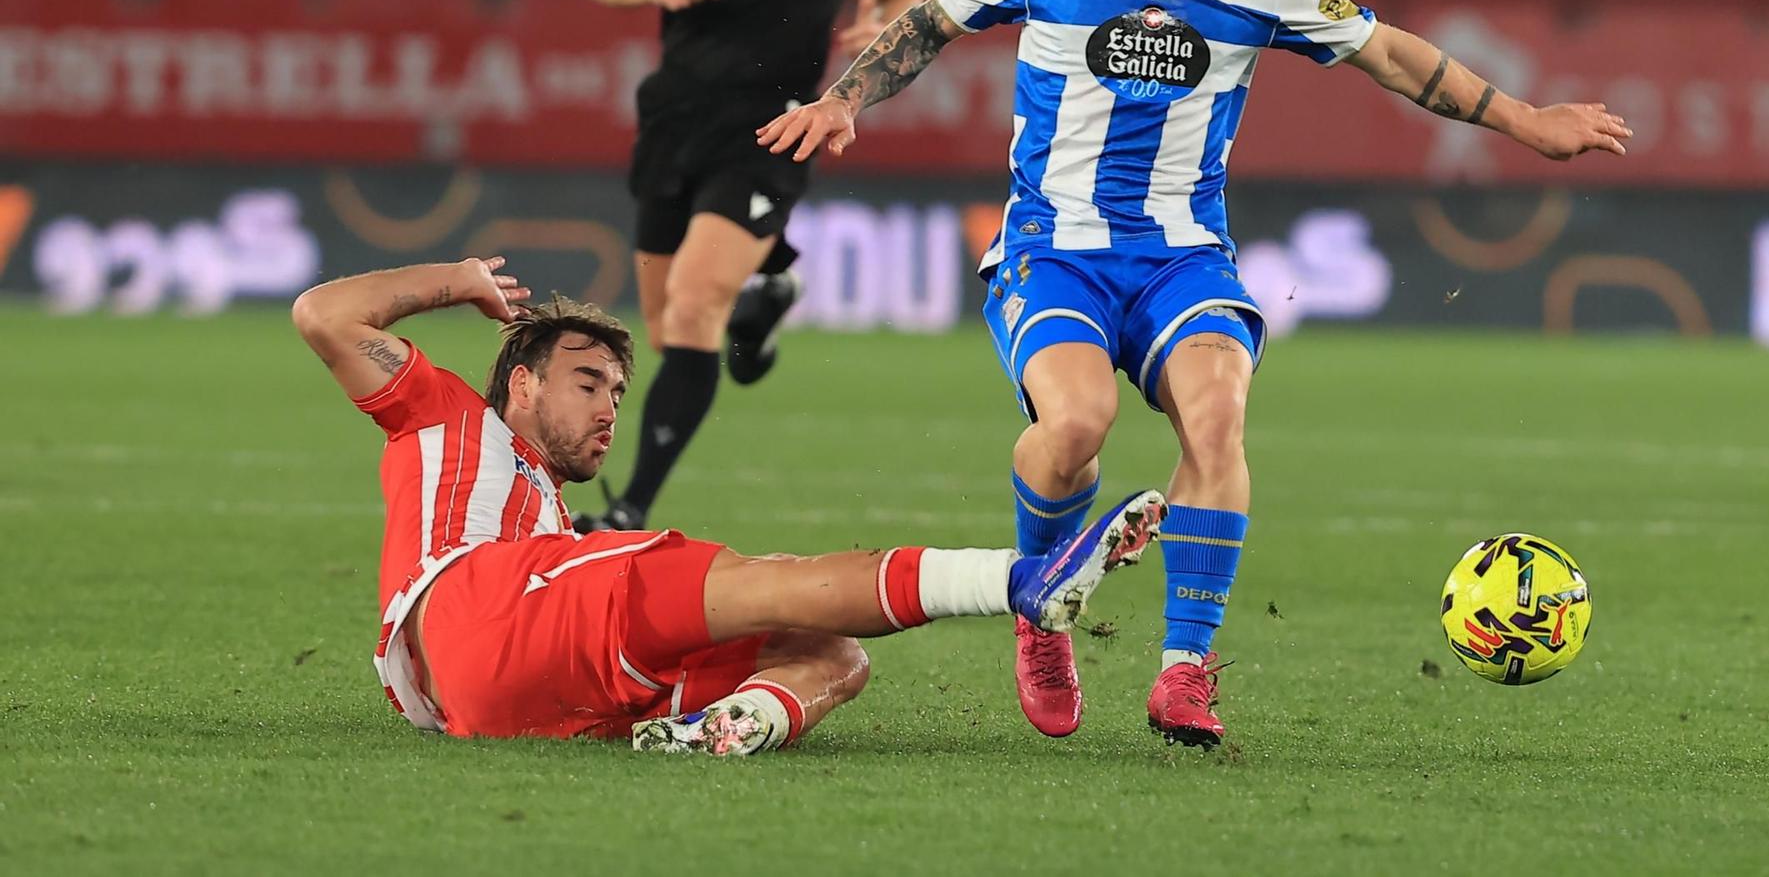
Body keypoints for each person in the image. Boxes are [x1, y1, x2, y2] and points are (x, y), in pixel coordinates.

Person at [759, 0, 1632, 747]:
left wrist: (1526, 121)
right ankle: (1039, 614)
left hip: (1183, 257)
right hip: (1055, 251)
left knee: (1216, 419)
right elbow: (925, 25)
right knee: (1075, 423)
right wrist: (842, 101)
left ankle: (1184, 671)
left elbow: (1388, 53)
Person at [291, 255, 1165, 754]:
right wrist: (459, 277)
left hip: (502, 706)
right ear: (520, 383)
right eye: (587, 381)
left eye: (619, 392)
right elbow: (323, 313)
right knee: (759, 583)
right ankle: (1017, 580)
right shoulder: (445, 414)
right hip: (479, 602)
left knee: (833, 651)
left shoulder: (551, 520)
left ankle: (741, 724)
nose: (607, 409)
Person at [578, 0, 923, 531]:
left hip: (776, 122)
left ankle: (628, 513)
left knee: (693, 303)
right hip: (678, 111)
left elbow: (904, 1)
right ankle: (767, 285)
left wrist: (875, 25)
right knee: (666, 331)